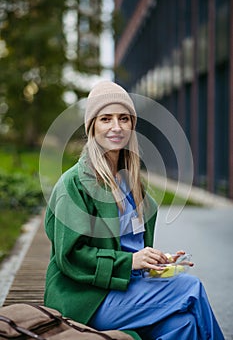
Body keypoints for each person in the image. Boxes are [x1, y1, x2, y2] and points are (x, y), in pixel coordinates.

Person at [44, 81, 224, 340]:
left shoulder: (134, 188)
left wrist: (154, 263)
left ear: (132, 125)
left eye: (124, 118)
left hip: (127, 289)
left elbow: (131, 251)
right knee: (190, 288)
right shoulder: (74, 184)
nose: (116, 127)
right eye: (106, 119)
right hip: (87, 299)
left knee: (183, 324)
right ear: (92, 126)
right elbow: (71, 256)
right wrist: (130, 262)